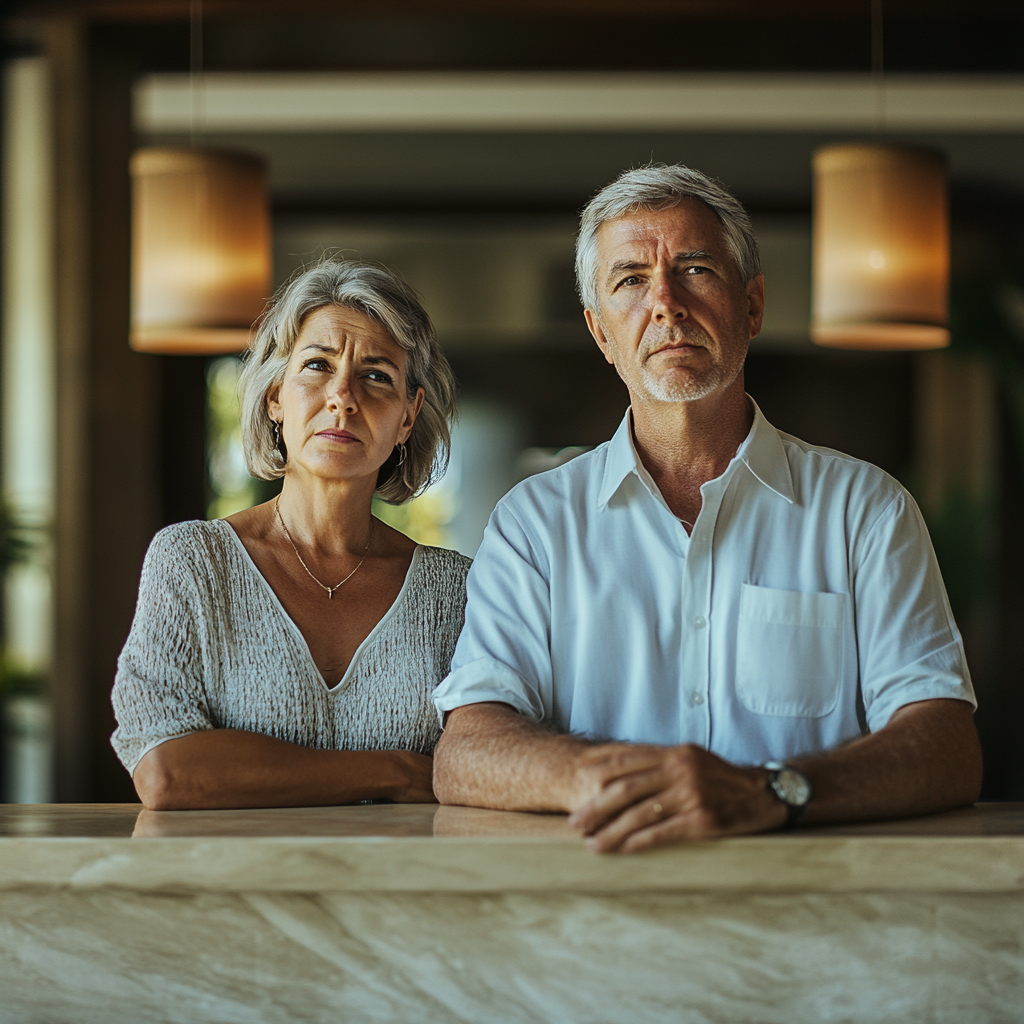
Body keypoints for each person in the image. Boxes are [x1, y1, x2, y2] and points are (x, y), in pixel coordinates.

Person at [432, 164, 981, 852]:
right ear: (601, 332)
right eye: (631, 279)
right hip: (589, 917)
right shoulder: (534, 524)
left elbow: (945, 745)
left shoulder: (866, 510)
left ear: (751, 307)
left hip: (819, 922)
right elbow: (467, 753)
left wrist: (769, 791)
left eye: (694, 269)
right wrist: (629, 783)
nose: (665, 303)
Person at [112, 259, 470, 810]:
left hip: (403, 892)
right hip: (230, 893)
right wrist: (398, 771)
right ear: (277, 396)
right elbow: (167, 773)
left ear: (407, 415)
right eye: (317, 366)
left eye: (376, 375)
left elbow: (480, 766)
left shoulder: (455, 588)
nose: (342, 396)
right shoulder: (192, 561)